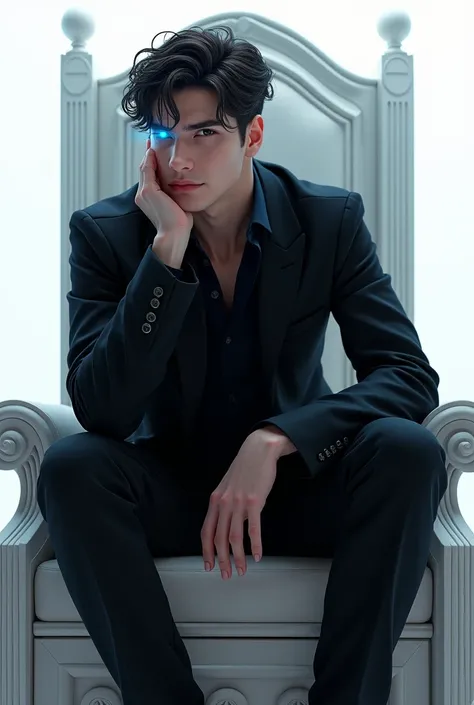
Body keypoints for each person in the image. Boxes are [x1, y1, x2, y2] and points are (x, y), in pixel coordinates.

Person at [37, 24, 447, 705]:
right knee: (71, 468)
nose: (181, 159)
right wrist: (165, 253)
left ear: (253, 136)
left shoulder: (329, 220)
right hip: (170, 490)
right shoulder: (107, 235)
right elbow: (102, 407)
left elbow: (407, 375)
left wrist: (276, 438)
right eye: (165, 136)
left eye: (205, 134)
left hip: (294, 489)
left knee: (408, 450)